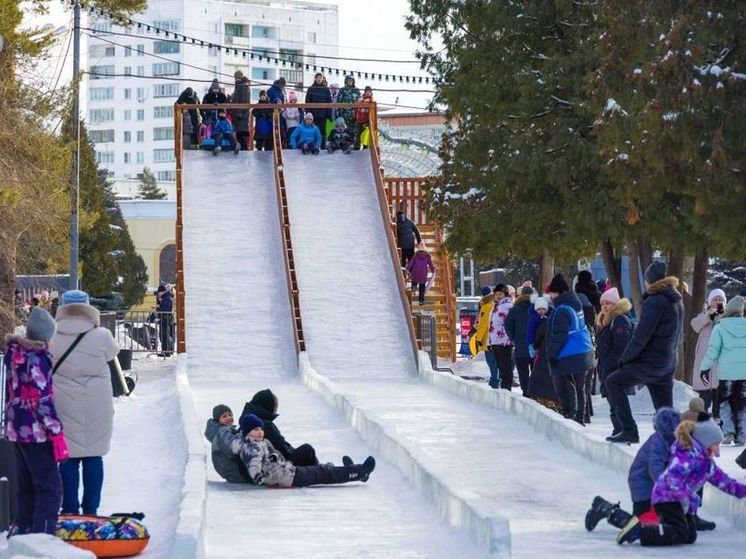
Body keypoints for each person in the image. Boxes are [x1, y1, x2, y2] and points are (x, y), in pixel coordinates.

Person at [617, 412, 746, 546]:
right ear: (705, 442)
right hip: (667, 497)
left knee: (690, 536)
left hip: (681, 500)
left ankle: (657, 526)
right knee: (679, 533)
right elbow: (673, 479)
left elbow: (725, 482)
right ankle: (640, 531)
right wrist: (684, 497)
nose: (718, 448)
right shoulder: (686, 457)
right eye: (716, 444)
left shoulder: (707, 464)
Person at [49, 290, 119, 516]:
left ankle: (69, 509)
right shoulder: (103, 335)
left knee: (67, 457)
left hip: (63, 401)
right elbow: (113, 354)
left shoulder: (52, 336)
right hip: (97, 402)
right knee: (93, 456)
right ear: (89, 307)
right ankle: (90, 510)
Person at [605, 261, 684, 443]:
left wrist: (624, 360)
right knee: (664, 409)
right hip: (667, 362)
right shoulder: (677, 301)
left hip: (650, 363)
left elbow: (640, 336)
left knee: (613, 382)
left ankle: (629, 430)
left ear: (650, 281)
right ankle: (673, 444)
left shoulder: (655, 301)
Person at [3, 308, 64, 534]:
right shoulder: (37, 359)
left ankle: (23, 530)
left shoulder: (15, 355)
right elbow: (42, 400)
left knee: (26, 485)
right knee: (50, 488)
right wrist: (56, 430)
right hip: (36, 431)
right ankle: (43, 537)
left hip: (16, 427)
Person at [585, 407, 680, 533]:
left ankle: (607, 508)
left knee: (655, 521)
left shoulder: (670, 440)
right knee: (639, 524)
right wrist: (667, 487)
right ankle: (607, 509)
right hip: (642, 483)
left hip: (651, 483)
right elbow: (655, 467)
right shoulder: (658, 442)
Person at [233, 414, 376, 488]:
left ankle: (350, 470)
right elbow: (254, 462)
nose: (260, 432)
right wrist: (257, 475)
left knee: (322, 470)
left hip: (286, 472)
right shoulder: (254, 447)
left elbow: (272, 454)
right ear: (247, 432)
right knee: (323, 473)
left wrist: (273, 457)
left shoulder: (259, 442)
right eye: (255, 430)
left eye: (261, 429)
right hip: (287, 477)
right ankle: (360, 472)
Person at [545, 274, 593, 424]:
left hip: (569, 353)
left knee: (565, 386)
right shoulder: (575, 304)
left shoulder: (561, 310)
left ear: (558, 292)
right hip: (584, 350)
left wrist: (552, 354)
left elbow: (560, 335)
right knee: (580, 387)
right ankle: (580, 417)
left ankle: (570, 417)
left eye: (552, 292)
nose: (550, 296)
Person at [700, 295, 746, 446]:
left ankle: (728, 432)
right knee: (742, 404)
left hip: (726, 374)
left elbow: (712, 350)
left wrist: (704, 368)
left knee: (724, 402)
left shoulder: (720, 327)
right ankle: (742, 435)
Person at [241, 389, 319, 466]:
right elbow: (285, 454)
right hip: (279, 468)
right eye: (274, 409)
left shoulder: (245, 422)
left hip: (263, 464)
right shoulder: (265, 426)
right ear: (267, 406)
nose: (274, 412)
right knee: (308, 450)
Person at [596, 287, 634, 435]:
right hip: (608, 370)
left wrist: (608, 366)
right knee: (614, 404)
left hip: (616, 371)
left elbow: (620, 348)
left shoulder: (619, 321)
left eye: (608, 303)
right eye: (602, 304)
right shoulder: (607, 322)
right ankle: (619, 430)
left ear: (616, 305)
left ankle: (623, 431)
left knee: (617, 404)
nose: (605, 306)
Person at [691, 289, 726, 413]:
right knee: (704, 397)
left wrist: (721, 315)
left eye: (720, 299)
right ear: (710, 301)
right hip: (704, 359)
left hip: (720, 360)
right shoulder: (705, 314)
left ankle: (718, 419)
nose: (717, 302)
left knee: (719, 396)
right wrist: (710, 316)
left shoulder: (727, 316)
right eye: (715, 299)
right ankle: (702, 420)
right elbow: (694, 325)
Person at [527, 296, 560, 410]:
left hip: (543, 352)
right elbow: (530, 333)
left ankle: (545, 400)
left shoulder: (549, 319)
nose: (541, 311)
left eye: (543, 309)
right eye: (539, 309)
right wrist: (531, 345)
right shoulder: (536, 319)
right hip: (543, 351)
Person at [204, 405, 250, 483]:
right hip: (234, 470)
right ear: (218, 420)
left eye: (230, 415)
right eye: (224, 416)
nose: (228, 417)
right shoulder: (223, 431)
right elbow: (232, 449)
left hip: (230, 471)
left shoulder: (225, 431)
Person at [506, 286, 534, 397]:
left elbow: (507, 325)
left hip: (520, 345)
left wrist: (513, 338)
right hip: (535, 346)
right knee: (535, 370)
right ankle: (534, 391)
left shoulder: (515, 309)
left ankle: (526, 391)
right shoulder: (537, 307)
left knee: (523, 371)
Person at [488, 284, 514, 390]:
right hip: (495, 340)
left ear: (505, 294)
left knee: (505, 366)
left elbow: (510, 324)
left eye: (500, 294)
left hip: (504, 341)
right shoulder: (497, 306)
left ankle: (506, 387)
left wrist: (509, 337)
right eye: (496, 294)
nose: (498, 296)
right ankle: (504, 386)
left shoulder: (508, 306)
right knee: (500, 365)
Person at [305, 72, 332, 149]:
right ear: (315, 79)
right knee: (313, 131)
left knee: (323, 132)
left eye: (320, 77)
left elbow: (329, 102)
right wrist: (308, 114)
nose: (319, 79)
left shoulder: (326, 89)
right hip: (313, 115)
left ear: (322, 78)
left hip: (323, 115)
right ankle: (314, 146)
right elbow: (307, 102)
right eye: (318, 77)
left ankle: (323, 147)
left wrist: (329, 114)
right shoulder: (311, 89)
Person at [230, 72, 251, 150]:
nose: (235, 79)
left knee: (242, 137)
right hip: (239, 116)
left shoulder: (243, 87)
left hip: (241, 116)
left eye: (236, 77)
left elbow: (244, 101)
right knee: (239, 136)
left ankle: (244, 155)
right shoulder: (240, 86)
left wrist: (239, 113)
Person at [155, 284, 174, 356]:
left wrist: (158, 309)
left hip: (166, 319)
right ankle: (166, 351)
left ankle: (166, 352)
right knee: (163, 335)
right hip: (165, 318)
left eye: (159, 292)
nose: (158, 294)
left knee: (164, 335)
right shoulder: (166, 297)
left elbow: (164, 308)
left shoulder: (167, 298)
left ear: (162, 292)